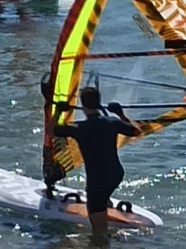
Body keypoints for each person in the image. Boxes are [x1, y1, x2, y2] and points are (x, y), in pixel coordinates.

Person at [47, 87, 141, 237]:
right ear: (98, 103)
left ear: (82, 105)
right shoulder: (112, 122)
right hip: (116, 174)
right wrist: (120, 113)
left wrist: (59, 111)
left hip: (97, 179)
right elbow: (136, 131)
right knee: (101, 195)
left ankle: (102, 246)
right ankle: (105, 204)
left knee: (98, 230)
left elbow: (50, 131)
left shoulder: (78, 128)